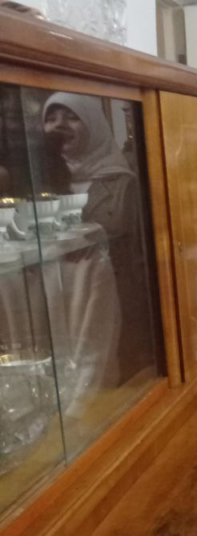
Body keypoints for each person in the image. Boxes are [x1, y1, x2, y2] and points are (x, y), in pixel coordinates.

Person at [41, 93, 154, 387]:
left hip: (115, 302)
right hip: (55, 303)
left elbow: (143, 255)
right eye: (51, 118)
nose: (59, 125)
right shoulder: (41, 183)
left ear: (94, 125)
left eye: (72, 117)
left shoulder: (123, 184)